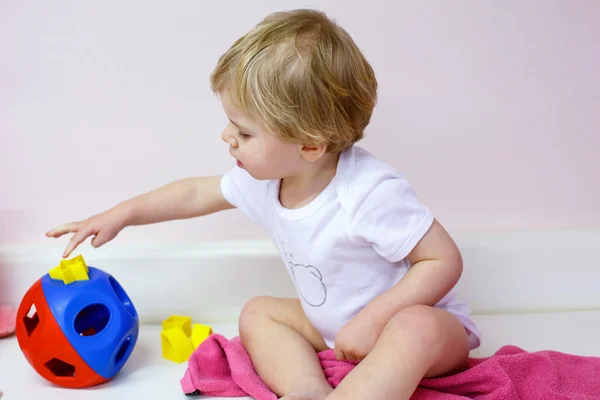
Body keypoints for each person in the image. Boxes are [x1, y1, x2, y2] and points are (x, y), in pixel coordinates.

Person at [47, 9, 481, 400]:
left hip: (428, 330)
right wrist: (120, 215)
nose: (226, 137)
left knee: (413, 330)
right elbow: (195, 193)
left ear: (310, 145)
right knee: (258, 312)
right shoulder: (268, 180)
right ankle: (305, 388)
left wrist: (374, 320)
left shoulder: (368, 191)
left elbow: (443, 260)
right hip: (333, 328)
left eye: (245, 132)